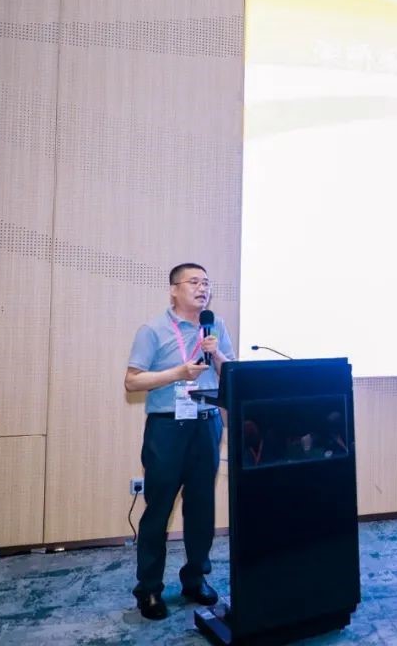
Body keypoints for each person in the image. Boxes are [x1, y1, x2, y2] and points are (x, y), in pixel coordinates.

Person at [125, 263, 235, 620]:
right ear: (174, 289)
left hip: (206, 424)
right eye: (194, 282)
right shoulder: (153, 330)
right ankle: (149, 590)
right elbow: (132, 381)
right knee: (158, 510)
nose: (203, 288)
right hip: (167, 428)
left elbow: (232, 375)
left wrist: (216, 354)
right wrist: (178, 373)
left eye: (207, 283)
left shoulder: (215, 326)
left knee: (202, 508)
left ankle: (195, 579)